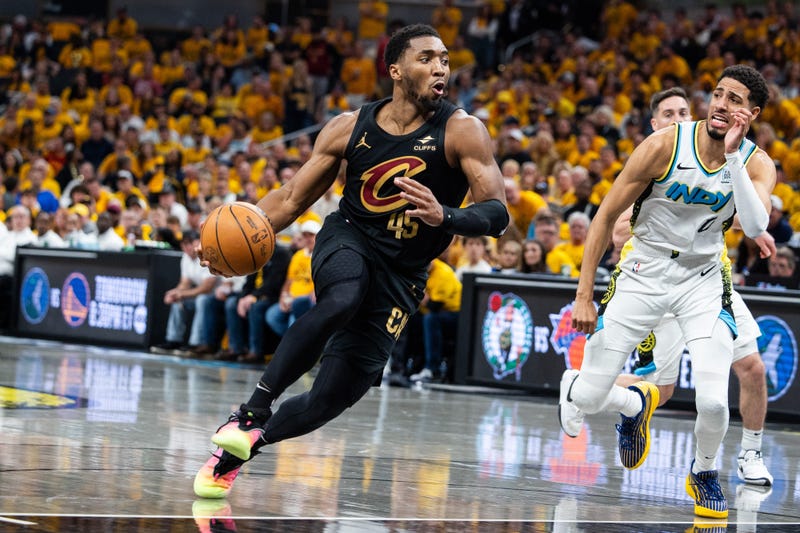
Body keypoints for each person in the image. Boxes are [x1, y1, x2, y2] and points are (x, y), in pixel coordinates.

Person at [193, 24, 508, 499]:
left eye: (444, 58)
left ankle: (241, 446)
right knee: (343, 296)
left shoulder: (462, 130)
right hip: (350, 237)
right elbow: (292, 197)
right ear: (395, 69)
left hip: (404, 273)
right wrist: (230, 242)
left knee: (330, 398)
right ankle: (252, 410)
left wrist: (446, 215)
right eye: (427, 58)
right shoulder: (348, 126)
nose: (441, 66)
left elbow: (498, 213)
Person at [558, 66, 777, 519]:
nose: (721, 104)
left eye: (735, 100)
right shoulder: (663, 145)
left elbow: (755, 227)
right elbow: (603, 217)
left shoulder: (756, 162)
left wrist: (733, 157)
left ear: (750, 114)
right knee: (589, 397)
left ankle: (703, 472)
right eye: (717, 94)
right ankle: (628, 400)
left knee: (714, 398)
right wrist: (583, 294)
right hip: (644, 272)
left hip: (702, 280)